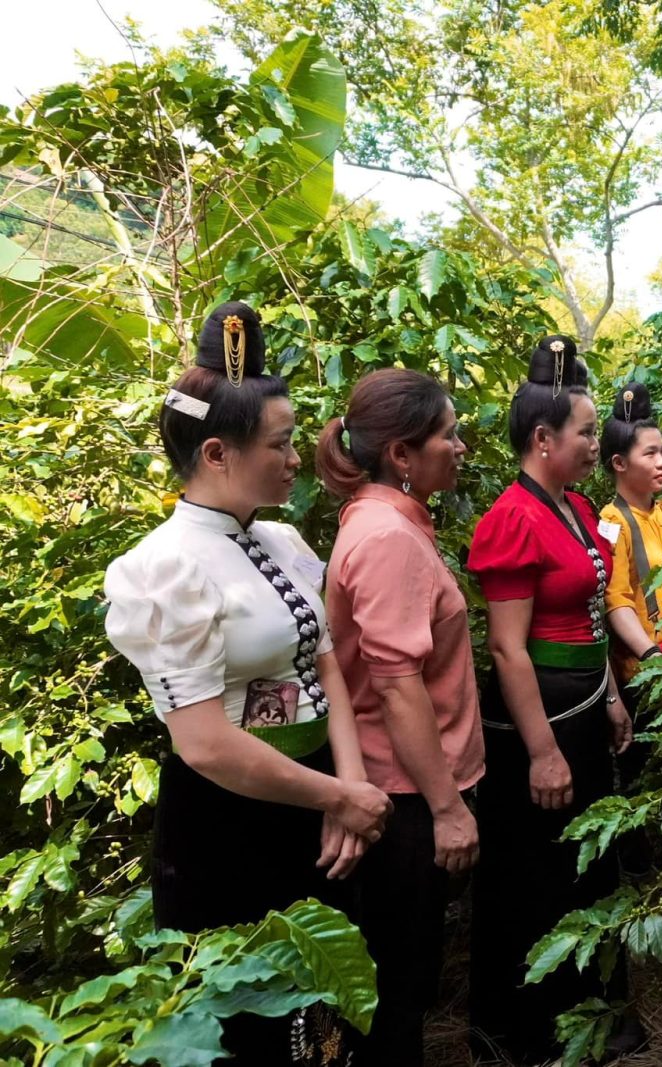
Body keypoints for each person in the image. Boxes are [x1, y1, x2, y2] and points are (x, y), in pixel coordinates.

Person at [103, 302, 392, 1066]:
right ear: (216, 452)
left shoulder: (282, 539)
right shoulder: (164, 567)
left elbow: (324, 663)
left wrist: (349, 790)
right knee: (256, 1021)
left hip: (319, 804)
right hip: (229, 825)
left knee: (327, 1011)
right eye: (281, 442)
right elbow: (204, 743)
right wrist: (338, 797)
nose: (298, 457)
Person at [465, 335, 637, 1063]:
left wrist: (610, 697)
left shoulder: (572, 506)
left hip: (583, 709)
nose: (598, 444)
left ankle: (593, 1017)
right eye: (587, 432)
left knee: (586, 867)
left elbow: (590, 614)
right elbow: (508, 648)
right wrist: (540, 751)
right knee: (537, 875)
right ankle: (530, 1032)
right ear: (543, 438)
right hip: (541, 726)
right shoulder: (514, 517)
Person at [315, 369, 484, 1067]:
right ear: (402, 454)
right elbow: (395, 686)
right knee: (396, 990)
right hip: (407, 796)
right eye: (449, 434)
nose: (461, 446)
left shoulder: (388, 520)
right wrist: (448, 808)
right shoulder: (387, 536)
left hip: (408, 787)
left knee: (402, 980)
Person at [597, 381, 662, 679]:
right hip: (652, 671)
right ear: (619, 463)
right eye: (650, 454)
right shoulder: (613, 522)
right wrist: (652, 657)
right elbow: (616, 601)